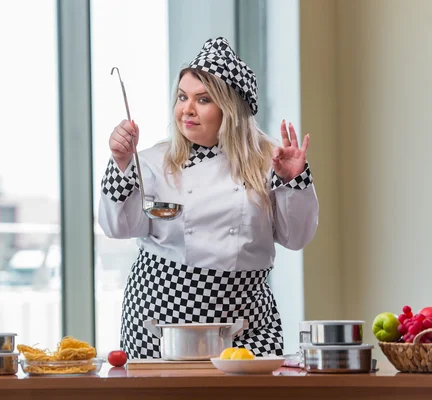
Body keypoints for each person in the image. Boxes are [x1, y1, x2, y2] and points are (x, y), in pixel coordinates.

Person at [98, 37, 318, 359]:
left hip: (245, 323)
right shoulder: (151, 161)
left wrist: (293, 180)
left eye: (203, 100)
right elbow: (117, 226)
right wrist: (121, 164)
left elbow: (296, 237)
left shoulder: (271, 158)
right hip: (160, 322)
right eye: (182, 97)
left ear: (231, 109)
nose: (187, 109)